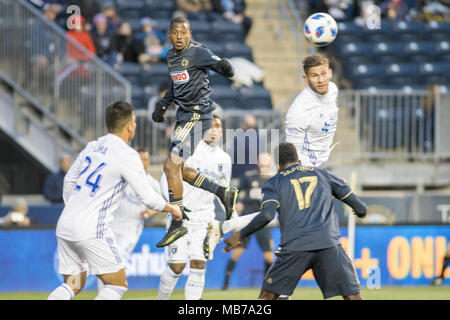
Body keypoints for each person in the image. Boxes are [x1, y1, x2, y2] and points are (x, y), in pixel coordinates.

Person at [47, 101, 182, 300]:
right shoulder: (127, 155)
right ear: (129, 126)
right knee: (117, 285)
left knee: (73, 284)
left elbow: (69, 180)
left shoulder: (93, 146)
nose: (134, 125)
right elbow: (146, 197)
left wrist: (75, 208)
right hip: (92, 227)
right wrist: (172, 208)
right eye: (134, 121)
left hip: (66, 222)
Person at [223, 142, 367, 300]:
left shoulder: (273, 183)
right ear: (298, 160)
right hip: (328, 244)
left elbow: (267, 216)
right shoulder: (323, 174)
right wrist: (358, 210)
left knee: (266, 296)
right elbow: (361, 209)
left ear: (278, 166)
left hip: (294, 247)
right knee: (353, 297)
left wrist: (241, 235)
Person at [151, 16, 238, 248]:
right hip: (183, 116)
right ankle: (222, 192)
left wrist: (226, 68)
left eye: (183, 32)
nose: (179, 36)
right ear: (169, 35)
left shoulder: (198, 52)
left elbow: (221, 66)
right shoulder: (171, 56)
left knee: (170, 166)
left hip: (198, 115)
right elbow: (176, 84)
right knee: (182, 170)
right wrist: (163, 103)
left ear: (190, 34)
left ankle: (177, 222)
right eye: (175, 32)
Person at [157, 114, 232, 300]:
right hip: (180, 216)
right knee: (177, 266)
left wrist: (231, 222)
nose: (214, 129)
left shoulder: (225, 159)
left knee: (198, 265)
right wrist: (172, 206)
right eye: (211, 125)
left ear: (222, 131)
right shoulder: (188, 148)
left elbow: (226, 193)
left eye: (218, 126)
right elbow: (166, 176)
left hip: (205, 218)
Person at [222, 152, 275, 291]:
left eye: (266, 161)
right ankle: (225, 284)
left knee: (269, 256)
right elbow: (236, 191)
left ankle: (266, 284)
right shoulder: (249, 176)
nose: (263, 164)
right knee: (237, 250)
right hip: (247, 219)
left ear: (270, 163)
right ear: (258, 162)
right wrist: (238, 202)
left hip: (264, 221)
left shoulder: (274, 179)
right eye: (261, 161)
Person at [285, 54, 339, 168]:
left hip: (325, 163)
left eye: (323, 74)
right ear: (306, 79)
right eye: (314, 76)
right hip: (308, 169)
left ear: (330, 73)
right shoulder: (299, 111)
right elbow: (293, 155)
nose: (321, 80)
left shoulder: (333, 89)